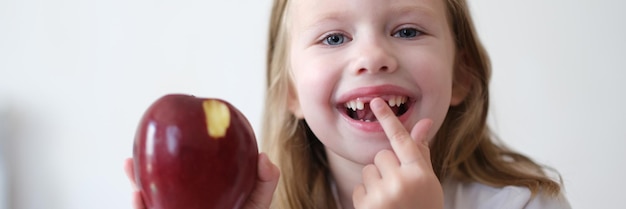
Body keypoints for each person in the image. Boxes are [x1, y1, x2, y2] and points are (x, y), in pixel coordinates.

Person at [125, 0, 572, 208]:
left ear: (462, 76)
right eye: (334, 37)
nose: (373, 57)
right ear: (292, 93)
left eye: (408, 30)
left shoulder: (525, 205)